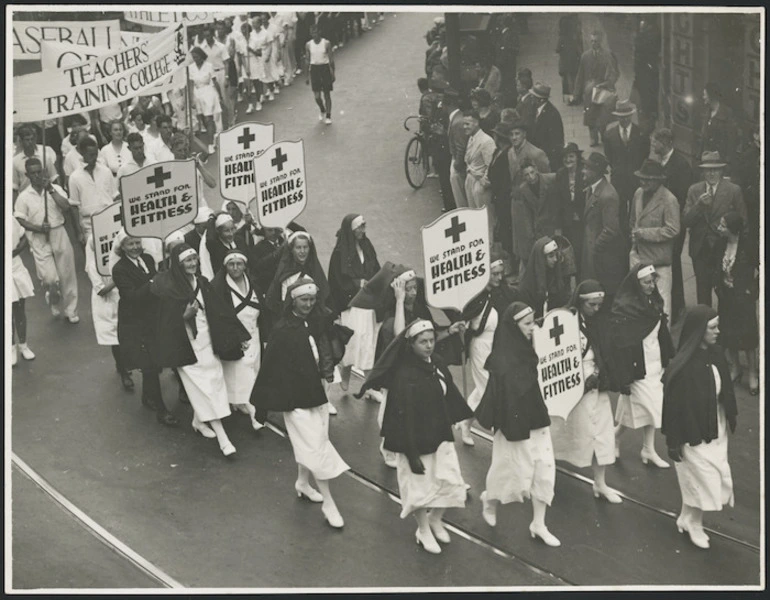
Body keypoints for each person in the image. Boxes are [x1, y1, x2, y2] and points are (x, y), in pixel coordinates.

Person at [357, 319, 472, 554]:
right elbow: (400, 417)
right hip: (415, 442)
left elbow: (448, 393)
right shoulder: (404, 375)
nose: (429, 346)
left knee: (451, 480)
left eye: (431, 341)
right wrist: (411, 454)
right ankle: (422, 529)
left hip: (439, 435)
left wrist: (461, 415)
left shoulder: (437, 363)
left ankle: (436, 519)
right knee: (420, 489)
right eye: (423, 342)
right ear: (411, 345)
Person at [250, 277, 349, 528]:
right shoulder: (283, 329)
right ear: (293, 301)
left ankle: (302, 483)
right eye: (304, 299)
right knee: (316, 447)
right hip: (294, 399)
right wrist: (261, 407)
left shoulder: (315, 322)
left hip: (317, 393)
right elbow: (270, 367)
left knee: (313, 443)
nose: (309, 304)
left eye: (312, 299)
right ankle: (329, 503)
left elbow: (326, 348)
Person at [150, 244, 250, 455]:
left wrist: (237, 336)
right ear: (178, 264)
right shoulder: (170, 289)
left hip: (207, 342)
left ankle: (198, 421)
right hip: (185, 346)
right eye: (188, 260)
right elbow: (164, 323)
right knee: (204, 389)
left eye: (195, 259)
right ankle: (224, 439)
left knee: (213, 381)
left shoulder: (202, 283)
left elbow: (220, 311)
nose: (193, 263)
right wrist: (183, 317)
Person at [475, 302, 560, 547]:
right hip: (513, 426)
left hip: (535, 418)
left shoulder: (528, 349)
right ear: (513, 327)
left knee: (544, 469)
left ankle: (539, 524)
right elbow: (497, 397)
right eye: (527, 324)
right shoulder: (501, 359)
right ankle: (490, 499)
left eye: (533, 322)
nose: (532, 328)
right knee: (510, 473)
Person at [662, 306, 737, 550]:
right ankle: (695, 524)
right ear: (698, 331)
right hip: (692, 432)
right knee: (703, 478)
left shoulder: (715, 354)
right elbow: (672, 408)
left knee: (702, 475)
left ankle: (686, 517)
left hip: (716, 425)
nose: (718, 331)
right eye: (713, 327)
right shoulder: (682, 367)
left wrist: (730, 416)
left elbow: (725, 388)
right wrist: (673, 441)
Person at [551, 280, 622, 503]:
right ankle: (545, 475)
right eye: (592, 305)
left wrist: (602, 373)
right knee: (563, 433)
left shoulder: (599, 321)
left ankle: (600, 483)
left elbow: (606, 350)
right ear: (581, 302)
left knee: (601, 434)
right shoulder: (565, 321)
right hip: (572, 386)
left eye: (599, 305)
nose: (596, 309)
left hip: (596, 383)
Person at [111, 230, 179, 426]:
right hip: (135, 323)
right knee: (149, 363)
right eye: (130, 244)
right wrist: (153, 281)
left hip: (152, 317)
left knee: (153, 363)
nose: (135, 247)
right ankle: (161, 409)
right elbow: (131, 297)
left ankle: (147, 398)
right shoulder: (120, 269)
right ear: (122, 247)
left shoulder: (148, 259)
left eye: (137, 242)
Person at [610, 264, 675, 468]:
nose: (651, 285)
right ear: (636, 283)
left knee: (643, 410)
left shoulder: (654, 301)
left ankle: (646, 448)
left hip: (655, 362)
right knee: (652, 407)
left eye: (653, 281)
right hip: (636, 366)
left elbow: (661, 332)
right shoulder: (625, 307)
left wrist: (668, 357)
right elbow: (621, 344)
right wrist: (624, 375)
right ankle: (617, 438)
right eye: (646, 282)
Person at [14, 157, 80, 323]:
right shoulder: (23, 197)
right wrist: (37, 228)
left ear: (43, 171)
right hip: (39, 237)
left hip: (59, 232)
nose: (37, 176)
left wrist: (50, 188)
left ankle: (71, 310)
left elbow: (66, 207)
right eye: (33, 173)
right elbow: (20, 219)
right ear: (27, 175)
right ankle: (52, 295)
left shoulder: (55, 188)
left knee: (67, 274)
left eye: (39, 172)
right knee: (50, 278)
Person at [457, 255, 512, 445]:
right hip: (480, 347)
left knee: (487, 389)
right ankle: (501, 433)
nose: (498, 278)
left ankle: (465, 421)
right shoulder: (476, 297)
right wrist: (462, 325)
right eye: (494, 274)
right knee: (490, 389)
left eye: (500, 274)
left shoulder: (499, 294)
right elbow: (464, 317)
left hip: (496, 347)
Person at [682, 151, 747, 307]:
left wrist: (737, 250)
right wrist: (698, 205)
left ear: (721, 171)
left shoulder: (733, 190)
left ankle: (724, 328)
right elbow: (686, 221)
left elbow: (743, 222)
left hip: (723, 249)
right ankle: (705, 327)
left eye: (715, 169)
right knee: (702, 294)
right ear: (703, 171)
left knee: (725, 293)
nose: (711, 173)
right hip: (700, 249)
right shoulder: (694, 190)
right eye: (707, 169)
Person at [212, 250, 265, 430]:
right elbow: (220, 317)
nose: (235, 268)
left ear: (245, 265)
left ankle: (241, 403)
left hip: (254, 335)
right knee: (241, 375)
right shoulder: (219, 287)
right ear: (225, 266)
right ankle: (254, 414)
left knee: (253, 372)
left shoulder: (254, 283)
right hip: (235, 339)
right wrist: (235, 337)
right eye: (231, 264)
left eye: (239, 264)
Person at [328, 214, 381, 390]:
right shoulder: (339, 253)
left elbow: (375, 268)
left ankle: (371, 387)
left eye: (364, 226)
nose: (363, 230)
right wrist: (357, 283)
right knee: (351, 342)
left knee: (368, 343)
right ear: (351, 230)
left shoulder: (367, 245)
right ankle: (346, 372)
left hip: (368, 303)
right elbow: (336, 280)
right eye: (359, 227)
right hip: (351, 304)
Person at [628, 159, 681, 318]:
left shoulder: (669, 199)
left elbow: (673, 229)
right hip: (638, 256)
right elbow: (633, 220)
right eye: (641, 178)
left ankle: (663, 339)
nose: (643, 181)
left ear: (658, 180)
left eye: (647, 179)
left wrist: (644, 233)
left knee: (662, 304)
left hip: (659, 260)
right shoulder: (638, 193)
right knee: (639, 301)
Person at [714, 212, 759, 395]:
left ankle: (753, 374)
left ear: (733, 229)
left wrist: (752, 290)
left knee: (748, 336)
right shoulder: (720, 244)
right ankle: (736, 368)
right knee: (728, 332)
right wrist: (717, 285)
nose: (719, 228)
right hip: (726, 297)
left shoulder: (748, 246)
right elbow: (714, 266)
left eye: (723, 225)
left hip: (743, 297)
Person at [651, 128, 693, 322]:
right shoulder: (661, 162)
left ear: (666, 143)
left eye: (655, 142)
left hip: (674, 222)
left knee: (673, 260)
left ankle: (677, 307)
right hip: (665, 220)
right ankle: (676, 304)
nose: (653, 145)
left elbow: (682, 197)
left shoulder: (680, 165)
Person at [85, 234, 132, 391]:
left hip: (123, 298)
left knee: (127, 333)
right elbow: (101, 290)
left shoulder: (119, 259)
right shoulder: (94, 265)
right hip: (106, 303)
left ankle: (127, 362)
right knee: (114, 337)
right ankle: (123, 369)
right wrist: (118, 279)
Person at [580, 152, 626, 303]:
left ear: (595, 172)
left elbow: (611, 229)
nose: (583, 171)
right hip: (593, 254)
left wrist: (595, 248)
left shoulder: (608, 195)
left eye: (586, 168)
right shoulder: (593, 189)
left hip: (600, 258)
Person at [603, 100, 650, 241]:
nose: (624, 119)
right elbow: (609, 157)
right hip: (619, 180)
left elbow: (644, 155)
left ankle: (634, 235)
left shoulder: (641, 133)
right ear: (617, 117)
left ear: (631, 116)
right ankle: (623, 238)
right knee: (620, 210)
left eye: (627, 116)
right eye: (620, 116)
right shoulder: (609, 135)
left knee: (636, 209)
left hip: (636, 179)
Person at [571, 30, 618, 147]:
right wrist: (576, 93)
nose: (593, 43)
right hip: (589, 92)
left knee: (602, 116)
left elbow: (615, 73)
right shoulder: (585, 56)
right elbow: (580, 75)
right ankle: (593, 137)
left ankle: (603, 135)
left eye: (596, 41)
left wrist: (607, 83)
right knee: (590, 116)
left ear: (601, 41)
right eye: (591, 41)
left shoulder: (608, 55)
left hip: (603, 90)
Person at [68, 137, 118, 242]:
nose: (94, 158)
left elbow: (115, 196)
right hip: (90, 225)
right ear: (82, 153)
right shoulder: (74, 177)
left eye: (96, 154)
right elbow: (74, 207)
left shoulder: (106, 171)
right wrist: (79, 232)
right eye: (91, 155)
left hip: (110, 220)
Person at [512, 160, 558, 268]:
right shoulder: (524, 189)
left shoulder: (550, 179)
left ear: (536, 170)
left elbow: (558, 205)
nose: (531, 177)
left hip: (553, 224)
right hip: (539, 229)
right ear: (523, 177)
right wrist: (531, 234)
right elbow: (527, 214)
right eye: (526, 175)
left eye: (532, 172)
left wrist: (558, 226)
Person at [511, 236, 571, 319]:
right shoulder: (526, 287)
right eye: (551, 256)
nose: (555, 259)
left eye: (556, 255)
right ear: (541, 259)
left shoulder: (556, 278)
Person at [463, 111, 497, 241]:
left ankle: (488, 245)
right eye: (464, 124)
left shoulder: (486, 141)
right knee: (474, 215)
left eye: (467, 124)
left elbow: (491, 166)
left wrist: (484, 183)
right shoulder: (471, 138)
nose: (465, 127)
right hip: (471, 179)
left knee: (485, 218)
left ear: (476, 123)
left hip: (480, 185)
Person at [555, 143, 586, 278]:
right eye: (565, 157)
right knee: (566, 255)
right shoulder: (561, 174)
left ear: (577, 158)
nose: (568, 160)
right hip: (566, 222)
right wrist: (558, 226)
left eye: (571, 156)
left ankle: (580, 282)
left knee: (580, 254)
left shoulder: (584, 173)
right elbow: (556, 202)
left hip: (582, 221)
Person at [11, 217, 36, 367]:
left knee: (20, 310)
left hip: (16, 267)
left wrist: (14, 252)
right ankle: (11, 348)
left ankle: (23, 346)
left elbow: (24, 238)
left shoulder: (11, 219)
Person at [189, 46, 224, 153]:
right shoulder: (191, 68)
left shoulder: (209, 66)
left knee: (209, 119)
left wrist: (220, 95)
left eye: (197, 57)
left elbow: (215, 81)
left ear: (201, 56)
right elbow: (190, 84)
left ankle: (210, 143)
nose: (196, 59)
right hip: (197, 94)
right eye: (194, 57)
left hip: (209, 93)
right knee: (203, 119)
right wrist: (191, 98)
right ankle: (213, 135)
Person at [12, 125, 59, 201]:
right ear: (21, 141)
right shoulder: (15, 161)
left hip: (45, 197)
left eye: (32, 139)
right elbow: (14, 187)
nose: (30, 142)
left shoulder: (45, 156)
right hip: (26, 199)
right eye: (27, 140)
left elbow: (53, 179)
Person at [488, 122, 514, 254]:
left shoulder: (507, 154)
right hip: (497, 196)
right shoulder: (497, 151)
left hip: (504, 198)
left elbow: (505, 179)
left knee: (506, 227)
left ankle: (509, 256)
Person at [699, 83, 738, 171]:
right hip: (706, 160)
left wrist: (728, 163)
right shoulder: (706, 113)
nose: (703, 97)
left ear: (711, 95)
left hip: (721, 162)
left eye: (705, 95)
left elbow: (732, 140)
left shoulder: (727, 114)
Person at [196, 26, 229, 131]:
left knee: (224, 99)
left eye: (209, 35)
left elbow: (226, 62)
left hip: (221, 73)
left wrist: (227, 77)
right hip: (209, 77)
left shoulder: (221, 46)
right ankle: (217, 126)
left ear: (213, 35)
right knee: (213, 101)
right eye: (205, 36)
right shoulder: (202, 48)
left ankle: (229, 122)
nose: (207, 38)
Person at [506, 118, 550, 191]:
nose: (514, 137)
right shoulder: (510, 152)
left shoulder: (537, 153)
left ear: (524, 134)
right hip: (517, 197)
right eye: (511, 134)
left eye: (517, 133)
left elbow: (546, 179)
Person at [529, 83, 564, 172]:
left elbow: (556, 141)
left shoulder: (552, 114)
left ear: (541, 100)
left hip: (545, 156)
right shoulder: (533, 108)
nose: (531, 98)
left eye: (533, 96)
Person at [305, 25, 335, 124]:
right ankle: (322, 109)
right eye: (312, 33)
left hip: (324, 68)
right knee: (317, 96)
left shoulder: (326, 43)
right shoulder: (308, 45)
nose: (314, 35)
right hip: (314, 70)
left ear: (319, 32)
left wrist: (333, 73)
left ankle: (328, 115)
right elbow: (307, 60)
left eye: (316, 32)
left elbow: (331, 60)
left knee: (326, 93)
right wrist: (307, 76)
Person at [446, 89, 469, 208]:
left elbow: (461, 147)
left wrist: (457, 164)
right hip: (456, 160)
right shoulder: (457, 118)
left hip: (457, 163)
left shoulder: (457, 122)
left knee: (461, 198)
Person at [556, 15, 582, 104]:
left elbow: (557, 49)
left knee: (568, 82)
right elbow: (578, 50)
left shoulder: (561, 38)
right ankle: (576, 96)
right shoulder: (573, 37)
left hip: (565, 63)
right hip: (574, 62)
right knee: (574, 80)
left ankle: (572, 99)